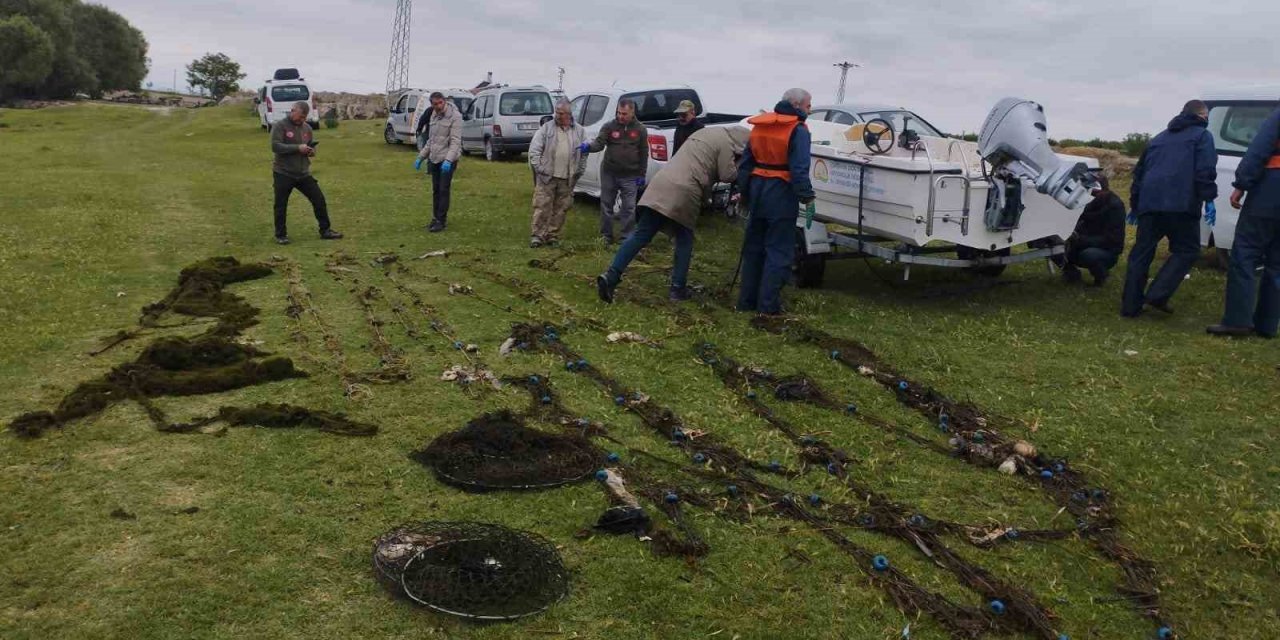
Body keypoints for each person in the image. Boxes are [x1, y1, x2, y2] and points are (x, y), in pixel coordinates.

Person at [596, 126, 752, 304]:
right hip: (685, 190)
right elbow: (728, 174)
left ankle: (611, 275)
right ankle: (678, 289)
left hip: (661, 183)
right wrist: (743, 165)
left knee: (641, 234)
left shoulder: (705, 133)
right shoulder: (727, 144)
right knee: (684, 240)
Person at [1120, 99, 1218, 317]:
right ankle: (1157, 295)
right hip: (1181, 205)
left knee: (1141, 254)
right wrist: (1209, 198)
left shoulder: (1158, 139)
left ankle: (1130, 306)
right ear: (1203, 116)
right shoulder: (1202, 136)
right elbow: (1205, 170)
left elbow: (1139, 174)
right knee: (1187, 250)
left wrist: (1136, 205)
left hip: (1150, 205)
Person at [735, 88, 815, 315]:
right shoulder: (798, 131)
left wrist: (745, 194)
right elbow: (799, 171)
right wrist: (807, 197)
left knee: (753, 249)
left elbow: (745, 165)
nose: (810, 110)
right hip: (781, 192)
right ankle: (768, 306)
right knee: (778, 250)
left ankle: (746, 302)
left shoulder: (760, 126)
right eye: (809, 106)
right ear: (798, 106)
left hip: (757, 190)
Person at [1207, 105, 1280, 338]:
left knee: (1245, 253)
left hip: (1272, 189)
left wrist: (1241, 184)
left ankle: (1238, 321)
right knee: (1278, 264)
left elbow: (1260, 148)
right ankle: (1267, 325)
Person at [270, 101, 342, 245]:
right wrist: (298, 148)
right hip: (283, 173)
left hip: (303, 173)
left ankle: (325, 230)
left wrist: (311, 151)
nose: (302, 120)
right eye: (300, 116)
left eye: (304, 117)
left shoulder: (307, 128)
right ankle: (281, 235)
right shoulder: (280, 126)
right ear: (293, 111)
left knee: (319, 200)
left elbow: (309, 146)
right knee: (281, 205)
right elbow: (275, 146)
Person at [580, 98, 648, 244]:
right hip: (610, 172)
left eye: (624, 114)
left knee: (629, 207)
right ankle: (606, 235)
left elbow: (644, 153)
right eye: (618, 113)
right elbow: (599, 143)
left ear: (632, 112)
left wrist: (641, 174)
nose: (620, 117)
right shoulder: (609, 126)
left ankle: (627, 237)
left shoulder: (640, 130)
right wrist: (588, 147)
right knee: (606, 205)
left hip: (630, 174)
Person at [528, 100, 588, 248]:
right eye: (557, 112)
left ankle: (552, 235)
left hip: (567, 177)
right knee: (542, 206)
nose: (558, 115)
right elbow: (534, 151)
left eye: (561, 113)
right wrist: (540, 169)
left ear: (569, 114)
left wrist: (579, 171)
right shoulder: (546, 129)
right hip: (547, 176)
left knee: (561, 208)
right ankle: (537, 235)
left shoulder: (579, 131)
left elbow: (584, 154)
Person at [1060, 175, 1126, 286]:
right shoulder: (1084, 203)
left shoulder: (1115, 207)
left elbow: (1113, 240)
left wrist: (1081, 240)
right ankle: (1071, 273)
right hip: (1082, 243)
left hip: (1106, 250)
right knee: (1052, 244)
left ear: (1103, 191)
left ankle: (1101, 277)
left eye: (1093, 193)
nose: (1089, 196)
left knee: (1089, 255)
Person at [413, 92, 463, 233]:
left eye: (439, 103)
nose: (437, 106)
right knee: (436, 190)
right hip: (434, 158)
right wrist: (421, 157)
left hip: (447, 159)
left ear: (444, 101)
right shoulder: (433, 115)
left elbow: (455, 142)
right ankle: (435, 218)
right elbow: (431, 140)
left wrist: (448, 160)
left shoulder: (455, 117)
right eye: (434, 104)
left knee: (443, 189)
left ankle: (441, 220)